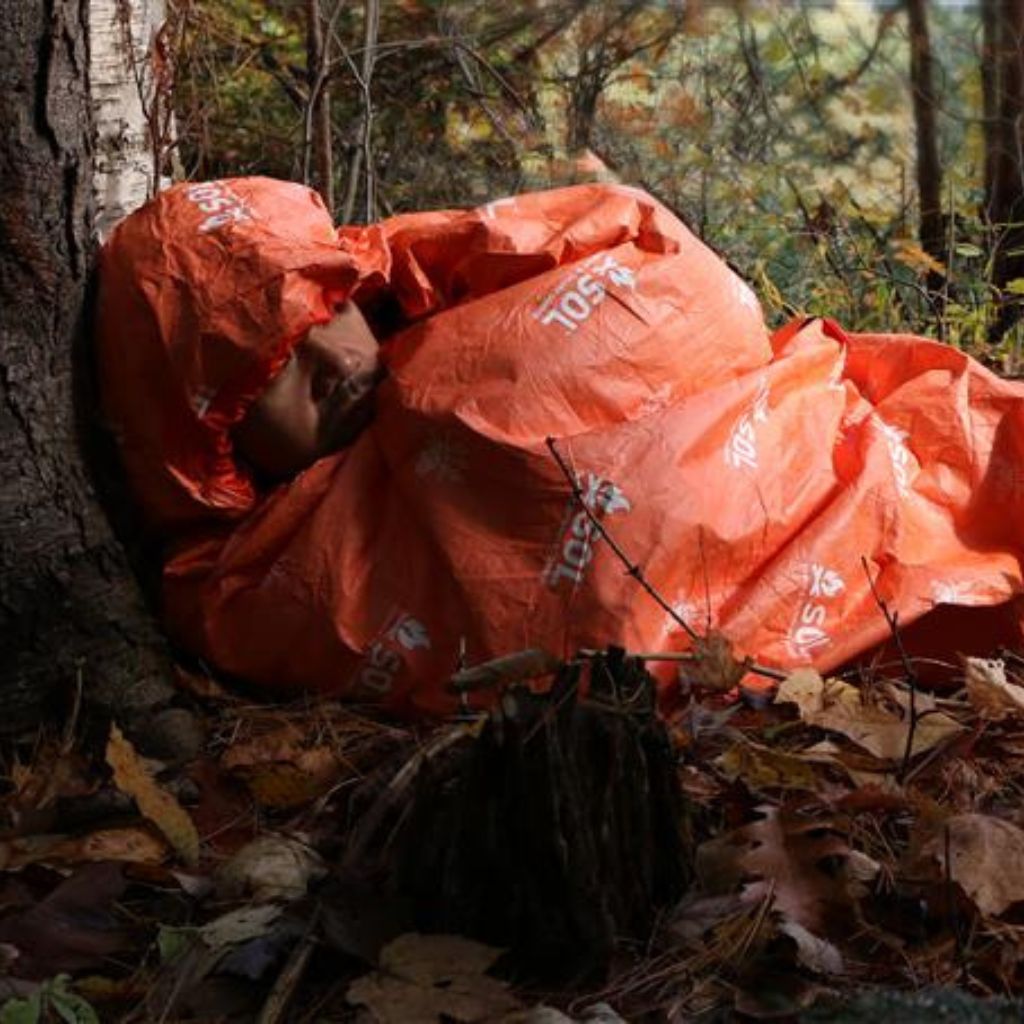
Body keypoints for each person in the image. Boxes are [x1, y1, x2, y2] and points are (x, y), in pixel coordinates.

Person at [97, 176, 1024, 717]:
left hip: (819, 451)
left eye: (320, 316)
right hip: (742, 593)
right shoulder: (253, 579)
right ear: (211, 441)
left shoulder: (455, 289)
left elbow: (667, 276)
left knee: (963, 458)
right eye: (264, 380)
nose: (323, 365)